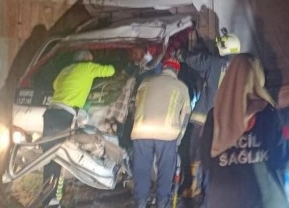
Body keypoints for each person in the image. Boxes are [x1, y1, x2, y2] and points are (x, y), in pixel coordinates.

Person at [199, 53, 288, 208]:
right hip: (264, 200)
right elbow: (282, 158)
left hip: (224, 200)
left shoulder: (215, 117)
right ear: (258, 77)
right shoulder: (269, 114)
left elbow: (205, 159)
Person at [43, 50, 115, 204]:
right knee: (61, 156)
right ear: (88, 60)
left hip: (50, 113)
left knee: (48, 156)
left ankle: (46, 198)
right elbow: (110, 70)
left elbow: (55, 85)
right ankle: (55, 200)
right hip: (65, 115)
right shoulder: (88, 67)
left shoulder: (65, 70)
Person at [180, 31, 241, 202]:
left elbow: (195, 61)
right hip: (225, 121)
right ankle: (209, 190)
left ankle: (194, 186)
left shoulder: (214, 62)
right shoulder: (240, 70)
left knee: (195, 152)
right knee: (215, 156)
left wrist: (181, 54)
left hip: (203, 117)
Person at [131, 58, 191, 208]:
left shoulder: (146, 82)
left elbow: (137, 105)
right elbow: (185, 115)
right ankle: (162, 203)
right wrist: (179, 137)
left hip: (141, 130)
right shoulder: (181, 86)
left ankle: (140, 203)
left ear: (163, 68)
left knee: (141, 170)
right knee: (165, 170)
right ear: (176, 71)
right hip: (167, 133)